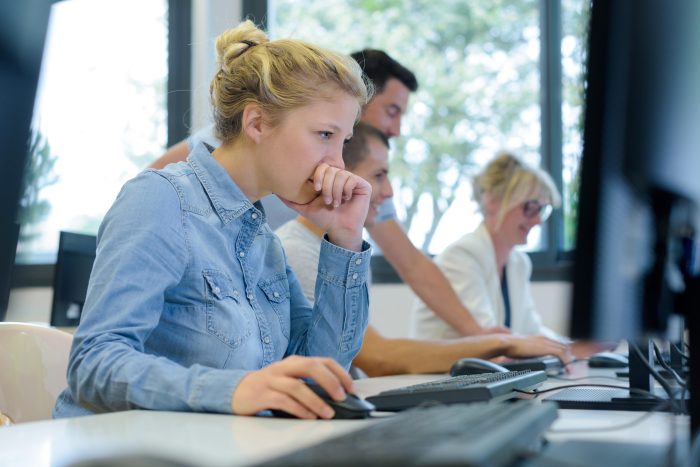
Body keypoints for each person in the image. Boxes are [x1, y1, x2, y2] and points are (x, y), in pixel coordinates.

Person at [53, 20, 373, 420]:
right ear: (256, 123)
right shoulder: (160, 199)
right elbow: (93, 364)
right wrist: (233, 390)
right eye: (325, 134)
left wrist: (344, 237)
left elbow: (319, 376)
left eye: (342, 142)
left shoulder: (261, 240)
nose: (338, 164)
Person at [152, 48, 505, 337]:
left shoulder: (354, 180)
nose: (396, 129)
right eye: (392, 111)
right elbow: (159, 189)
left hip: (265, 288)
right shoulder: (243, 136)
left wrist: (479, 334)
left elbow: (412, 263)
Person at [276, 123, 571, 376]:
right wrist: (498, 343)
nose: (390, 191)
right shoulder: (299, 251)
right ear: (338, 172)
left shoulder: (344, 251)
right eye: (379, 175)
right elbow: (376, 357)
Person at [414, 153, 567, 341]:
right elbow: (489, 337)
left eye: (542, 210)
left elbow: (532, 330)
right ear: (492, 201)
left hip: (488, 369)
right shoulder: (462, 256)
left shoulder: (518, 263)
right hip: (444, 370)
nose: (537, 221)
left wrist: (573, 349)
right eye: (530, 207)